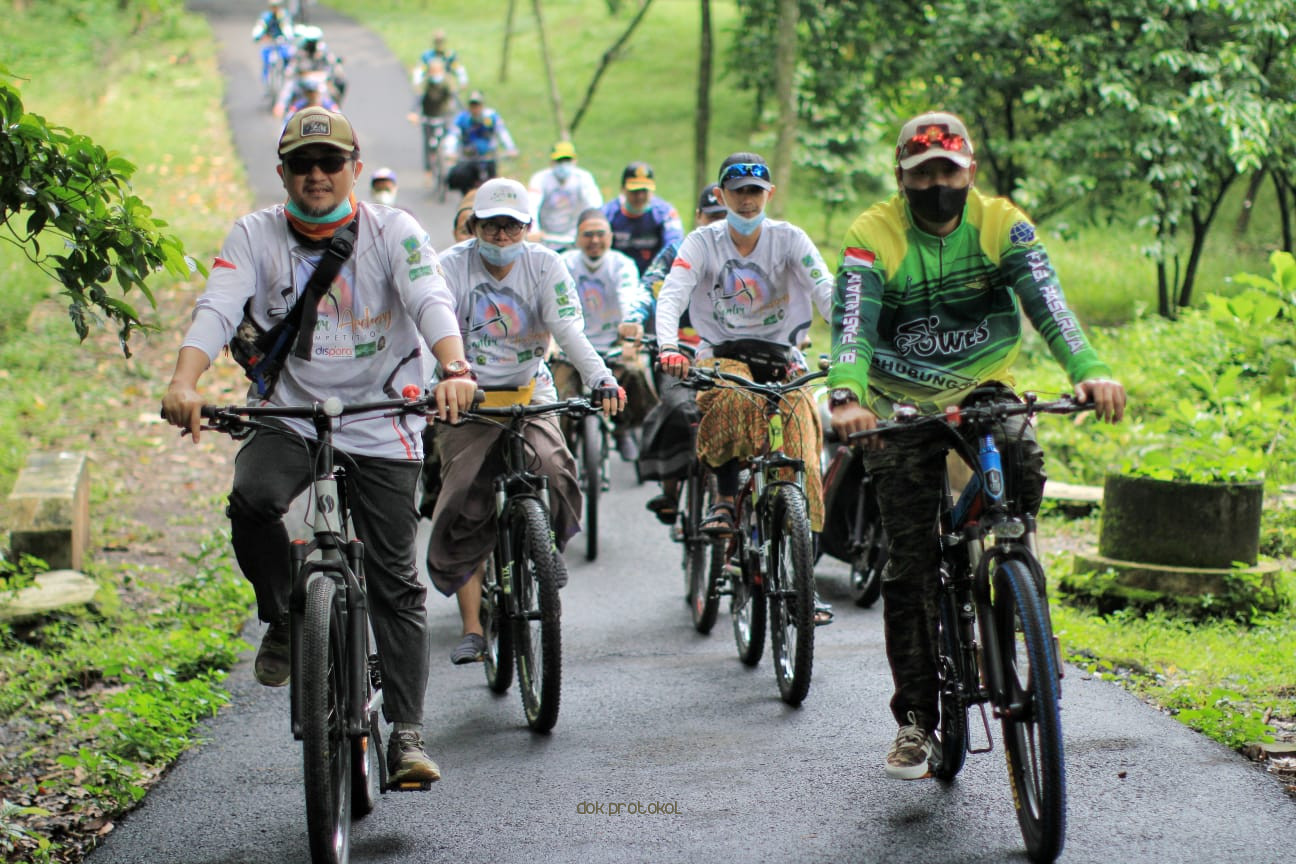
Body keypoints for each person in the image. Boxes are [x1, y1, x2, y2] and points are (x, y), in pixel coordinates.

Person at [160, 106, 476, 785]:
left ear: (354, 168)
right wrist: (185, 381)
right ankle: (282, 615)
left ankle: (407, 734)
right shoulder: (254, 235)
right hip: (291, 414)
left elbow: (429, 297)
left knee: (395, 580)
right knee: (252, 499)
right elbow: (217, 307)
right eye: (301, 164)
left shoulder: (394, 230)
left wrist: (454, 368)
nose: (316, 175)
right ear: (283, 173)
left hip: (382, 413)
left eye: (330, 162)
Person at [826, 111, 1127, 780]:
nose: (937, 184)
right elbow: (852, 324)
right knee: (909, 564)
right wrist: (846, 394)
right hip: (898, 401)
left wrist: (1090, 368)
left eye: (949, 171)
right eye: (922, 174)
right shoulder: (873, 234)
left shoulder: (1002, 224)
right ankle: (916, 720)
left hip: (985, 388)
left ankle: (1016, 588)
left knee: (1022, 465)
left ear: (971, 172)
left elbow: (1048, 302)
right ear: (901, 177)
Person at [425, 179, 625, 665]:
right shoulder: (450, 267)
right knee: (464, 499)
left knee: (555, 466)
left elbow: (567, 330)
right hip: (467, 398)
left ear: (528, 228)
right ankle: (473, 628)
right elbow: (430, 330)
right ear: (475, 226)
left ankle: (546, 544)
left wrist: (600, 378)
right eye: (492, 226)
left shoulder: (546, 265)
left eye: (511, 226)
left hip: (528, 388)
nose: (501, 235)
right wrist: (427, 386)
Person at [655, 153, 833, 597]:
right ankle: (724, 496)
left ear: (769, 194)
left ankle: (803, 574)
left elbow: (826, 292)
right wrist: (668, 346)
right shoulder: (701, 242)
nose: (747, 200)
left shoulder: (790, 239)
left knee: (803, 441)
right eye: (737, 192)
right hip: (721, 352)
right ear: (722, 195)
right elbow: (672, 294)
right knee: (734, 396)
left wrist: (855, 334)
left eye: (755, 191)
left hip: (782, 354)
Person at [638, 182, 728, 522]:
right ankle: (671, 490)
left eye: (725, 215)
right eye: (713, 216)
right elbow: (649, 289)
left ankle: (729, 500)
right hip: (679, 352)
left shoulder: (748, 252)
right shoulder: (677, 251)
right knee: (679, 407)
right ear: (698, 217)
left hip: (727, 353)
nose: (719, 223)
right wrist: (633, 322)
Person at [556, 208, 655, 460]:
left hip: (612, 345)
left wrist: (629, 334)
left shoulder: (622, 264)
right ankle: (562, 449)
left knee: (635, 373)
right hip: (572, 348)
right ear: (577, 237)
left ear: (611, 236)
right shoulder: (563, 263)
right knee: (559, 399)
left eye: (600, 234)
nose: (595, 240)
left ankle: (624, 427)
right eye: (588, 235)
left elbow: (627, 298)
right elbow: (554, 304)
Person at [601, 161, 683, 275]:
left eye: (644, 191)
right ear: (622, 190)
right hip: (615, 275)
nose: (640, 196)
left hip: (655, 275)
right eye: (634, 191)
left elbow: (674, 245)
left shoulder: (665, 214)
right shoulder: (607, 214)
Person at [527, 140, 603, 252]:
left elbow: (594, 204)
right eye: (559, 161)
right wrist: (533, 230)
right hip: (546, 239)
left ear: (575, 161)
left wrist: (589, 229)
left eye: (567, 161)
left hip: (574, 240)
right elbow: (532, 206)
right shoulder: (540, 179)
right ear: (552, 162)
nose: (563, 165)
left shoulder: (583, 178)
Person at [444, 91, 517, 196]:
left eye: (477, 105)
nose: (475, 108)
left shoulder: (491, 117)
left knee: (493, 186)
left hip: (488, 158)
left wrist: (511, 148)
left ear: (482, 105)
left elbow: (502, 132)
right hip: (469, 158)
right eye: (472, 105)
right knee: (463, 181)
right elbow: (453, 135)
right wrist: (450, 151)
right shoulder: (462, 119)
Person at [251, 0, 294, 89]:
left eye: (276, 6)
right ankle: (266, 83)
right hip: (269, 41)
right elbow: (260, 26)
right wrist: (256, 35)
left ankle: (287, 76)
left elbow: (287, 27)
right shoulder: (266, 16)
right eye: (273, 6)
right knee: (266, 59)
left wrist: (288, 36)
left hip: (281, 41)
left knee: (286, 55)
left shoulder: (283, 16)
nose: (275, 8)